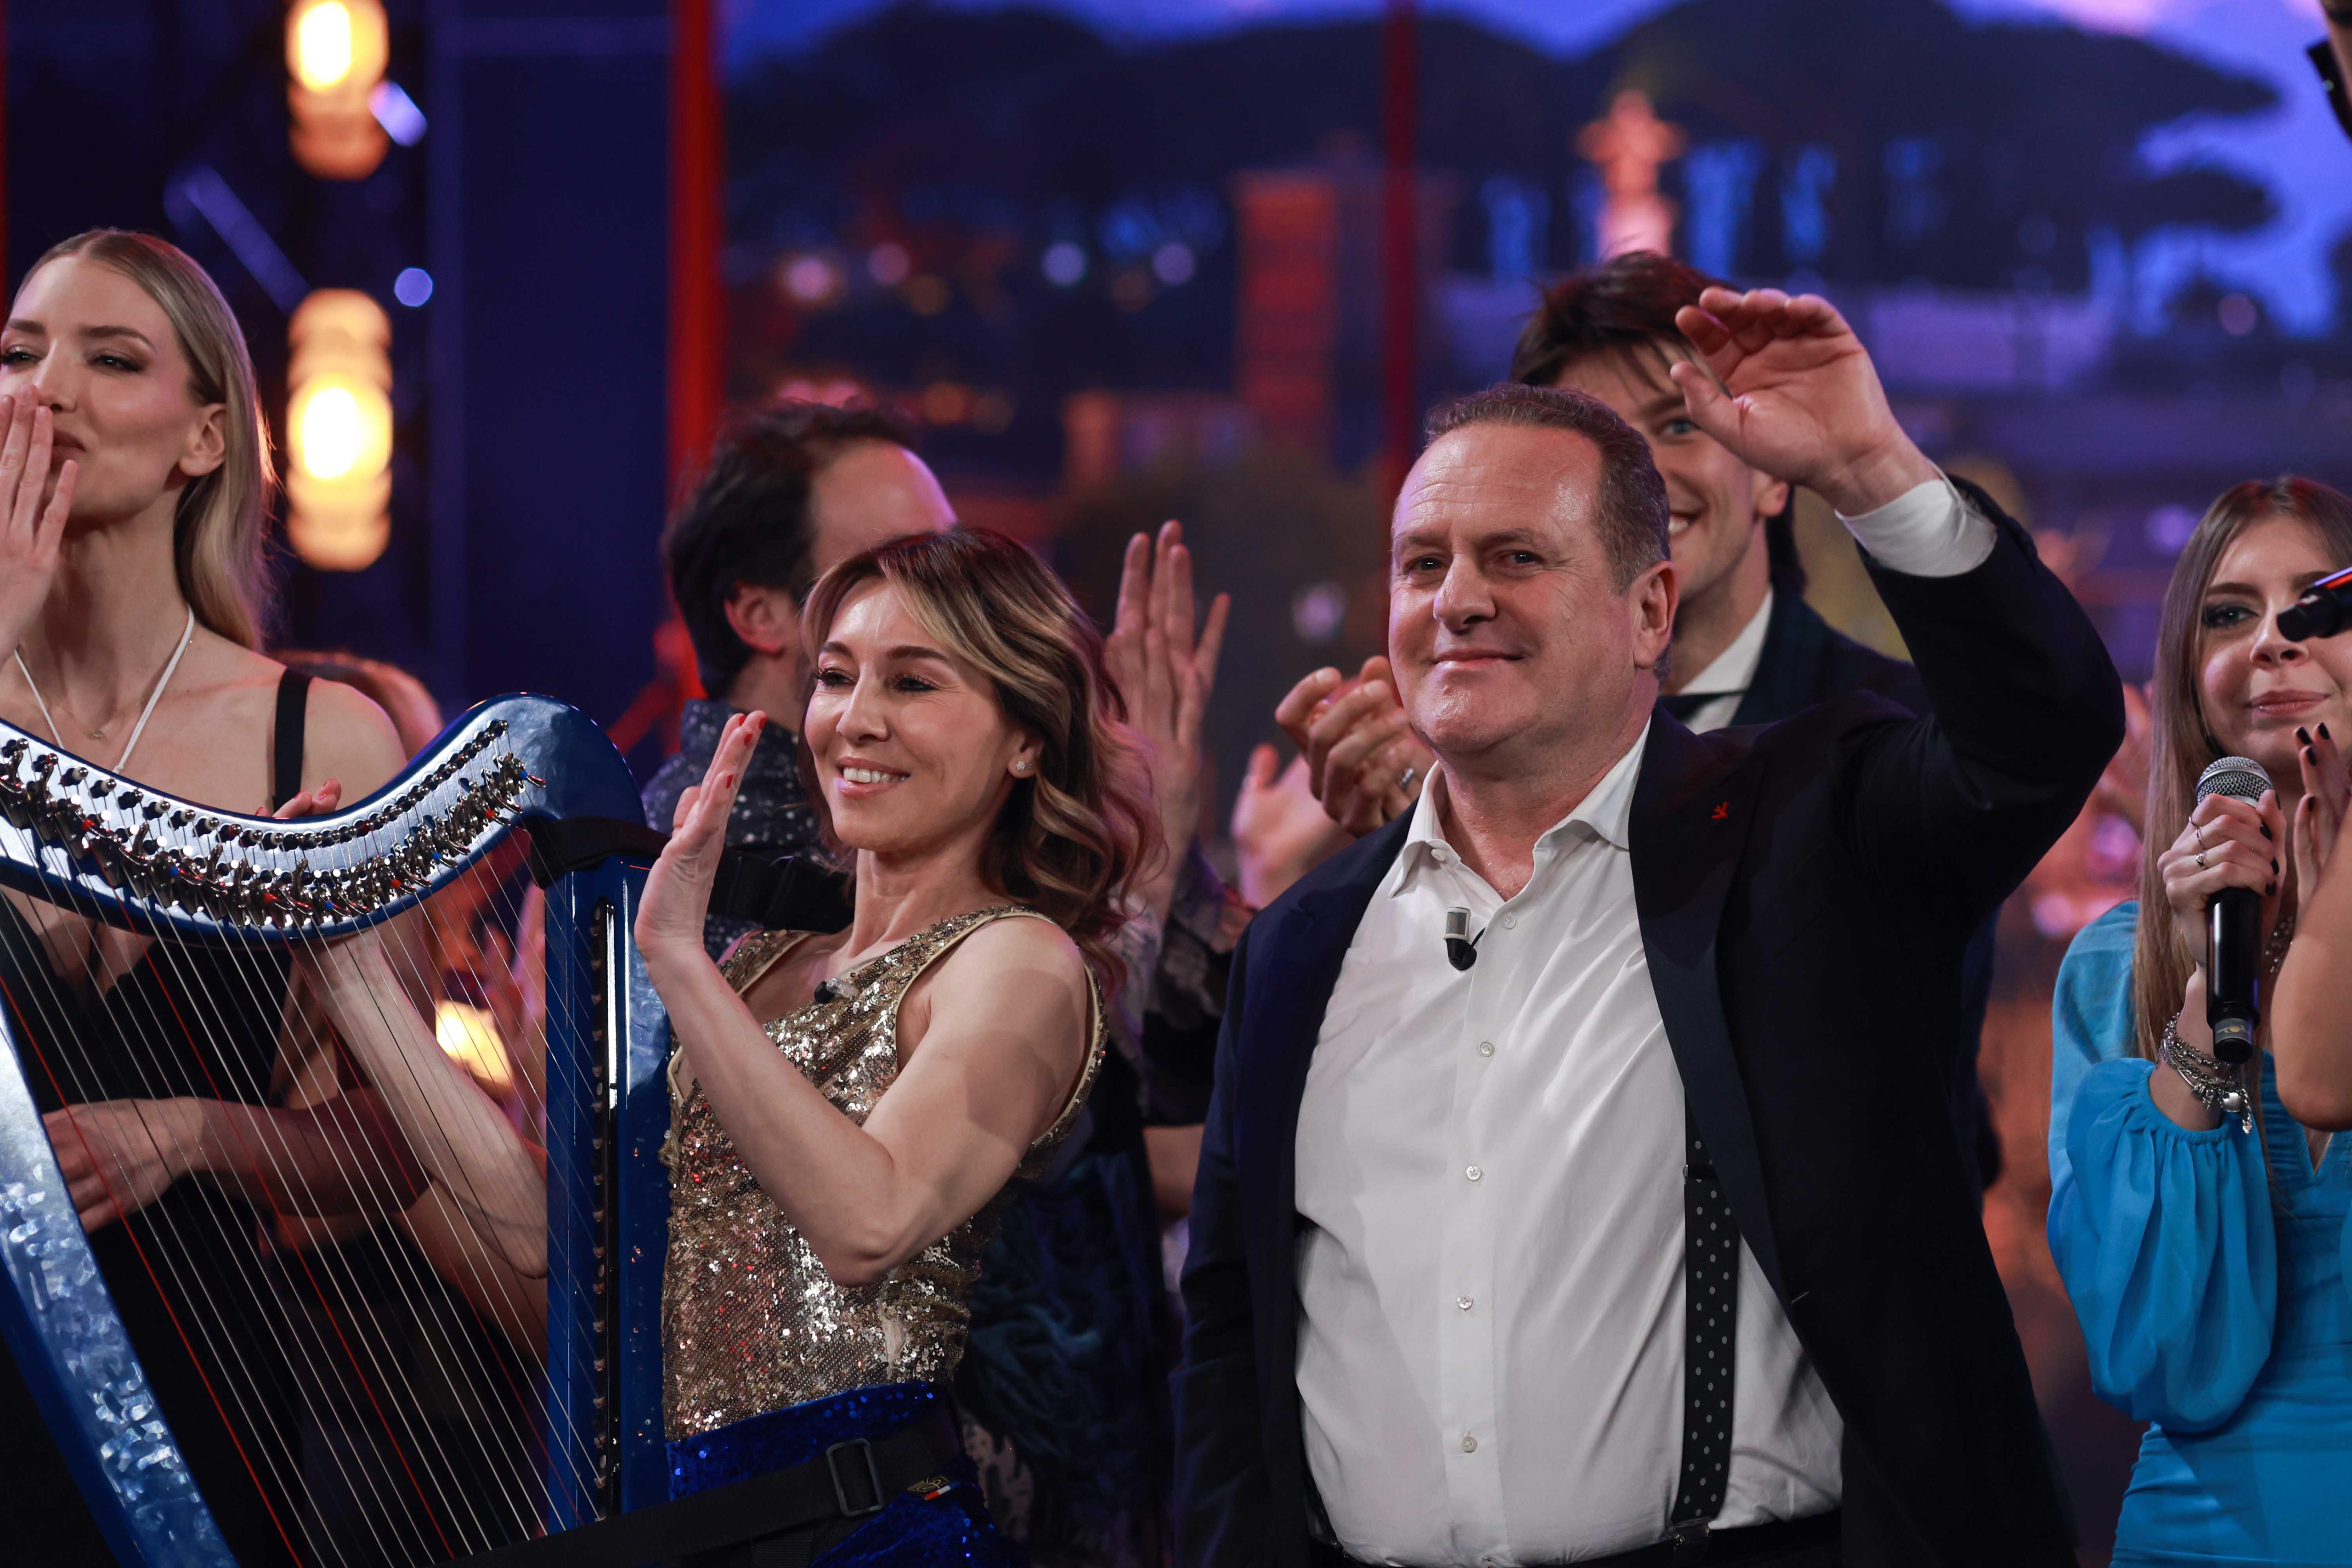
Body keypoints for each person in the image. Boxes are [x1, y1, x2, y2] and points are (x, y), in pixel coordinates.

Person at [1176, 288, 2121, 1567]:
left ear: (1649, 611)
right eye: (1423, 562)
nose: (1458, 600)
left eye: (1517, 557)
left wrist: (1870, 470)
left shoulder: (1802, 831)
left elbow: (2041, 729)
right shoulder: (1301, 943)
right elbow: (1232, 1336)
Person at [647, 404, 1239, 1564]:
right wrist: (367, 984)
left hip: (882, 1536)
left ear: (1026, 738)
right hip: (714, 1530)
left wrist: (673, 957)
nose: (855, 721)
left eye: (913, 683)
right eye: (835, 676)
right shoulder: (762, 962)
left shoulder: (1019, 958)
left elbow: (870, 1223)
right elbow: (583, 1234)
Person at [0, 230, 425, 1566]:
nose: (44, 390)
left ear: (206, 439)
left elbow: (400, 1137)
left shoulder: (323, 737)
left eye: (109, 358)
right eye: (18, 354)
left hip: (204, 1387)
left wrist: (196, 1134)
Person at [2049, 476, 2352, 1566]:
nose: (2271, 640)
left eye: (2313, 604)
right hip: (2196, 1540)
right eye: (2228, 614)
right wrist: (2200, 981)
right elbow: (2156, 1357)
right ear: (2187, 669)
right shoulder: (2110, 968)